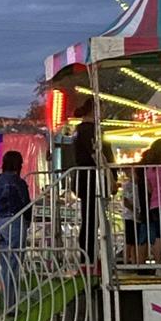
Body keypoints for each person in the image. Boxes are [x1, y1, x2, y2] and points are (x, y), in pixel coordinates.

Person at [0, 150, 32, 309]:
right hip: (15, 221)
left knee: (5, 265)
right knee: (14, 264)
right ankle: (11, 304)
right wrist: (27, 220)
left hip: (0, 222)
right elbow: (25, 203)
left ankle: (4, 301)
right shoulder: (18, 182)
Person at [69, 96, 104, 263]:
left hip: (84, 178)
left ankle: (88, 254)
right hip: (90, 177)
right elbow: (95, 153)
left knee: (90, 217)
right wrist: (108, 174)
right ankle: (88, 256)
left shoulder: (79, 130)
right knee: (91, 218)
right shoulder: (89, 130)